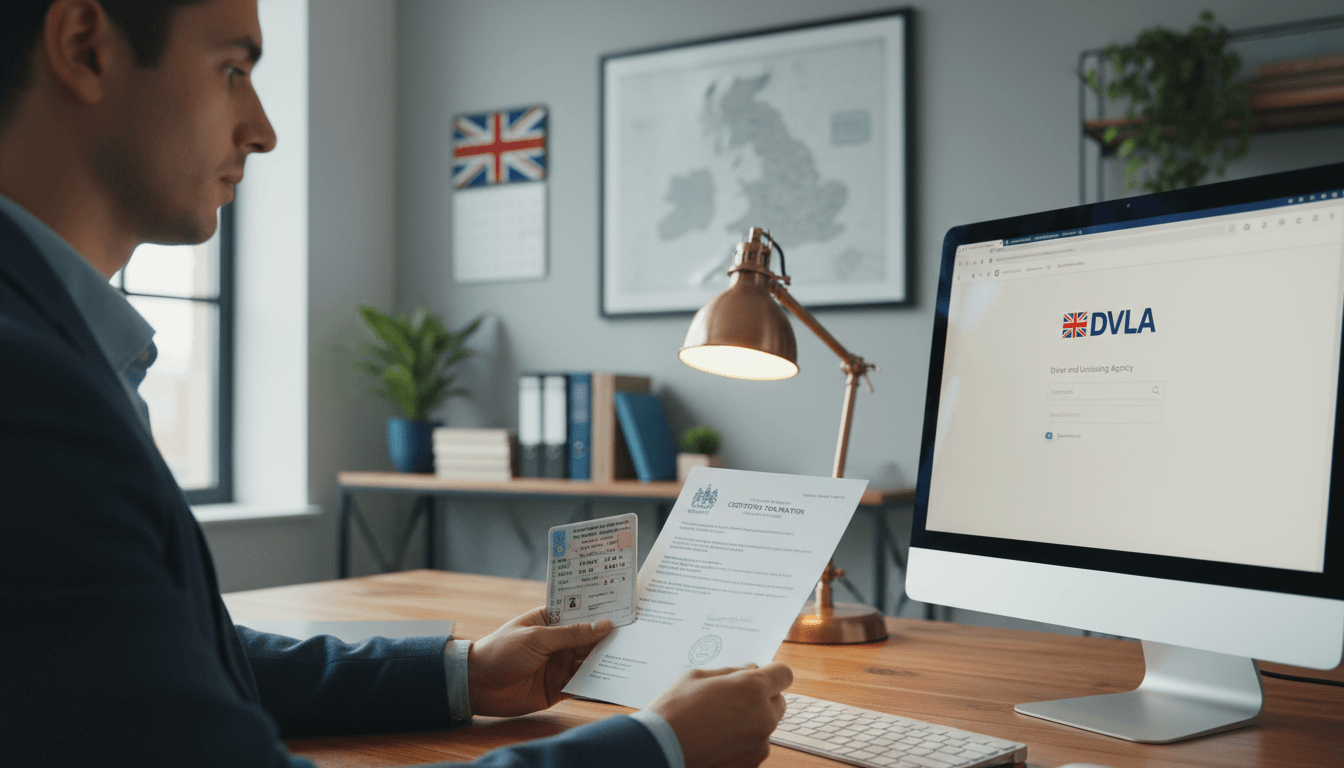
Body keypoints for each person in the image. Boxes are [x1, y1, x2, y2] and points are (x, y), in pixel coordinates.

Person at [0, 1, 792, 766]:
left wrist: (465, 673)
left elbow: (169, 662)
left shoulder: (56, 350)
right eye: (233, 68)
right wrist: (656, 748)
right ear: (86, 47)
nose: (264, 130)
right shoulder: (29, 390)